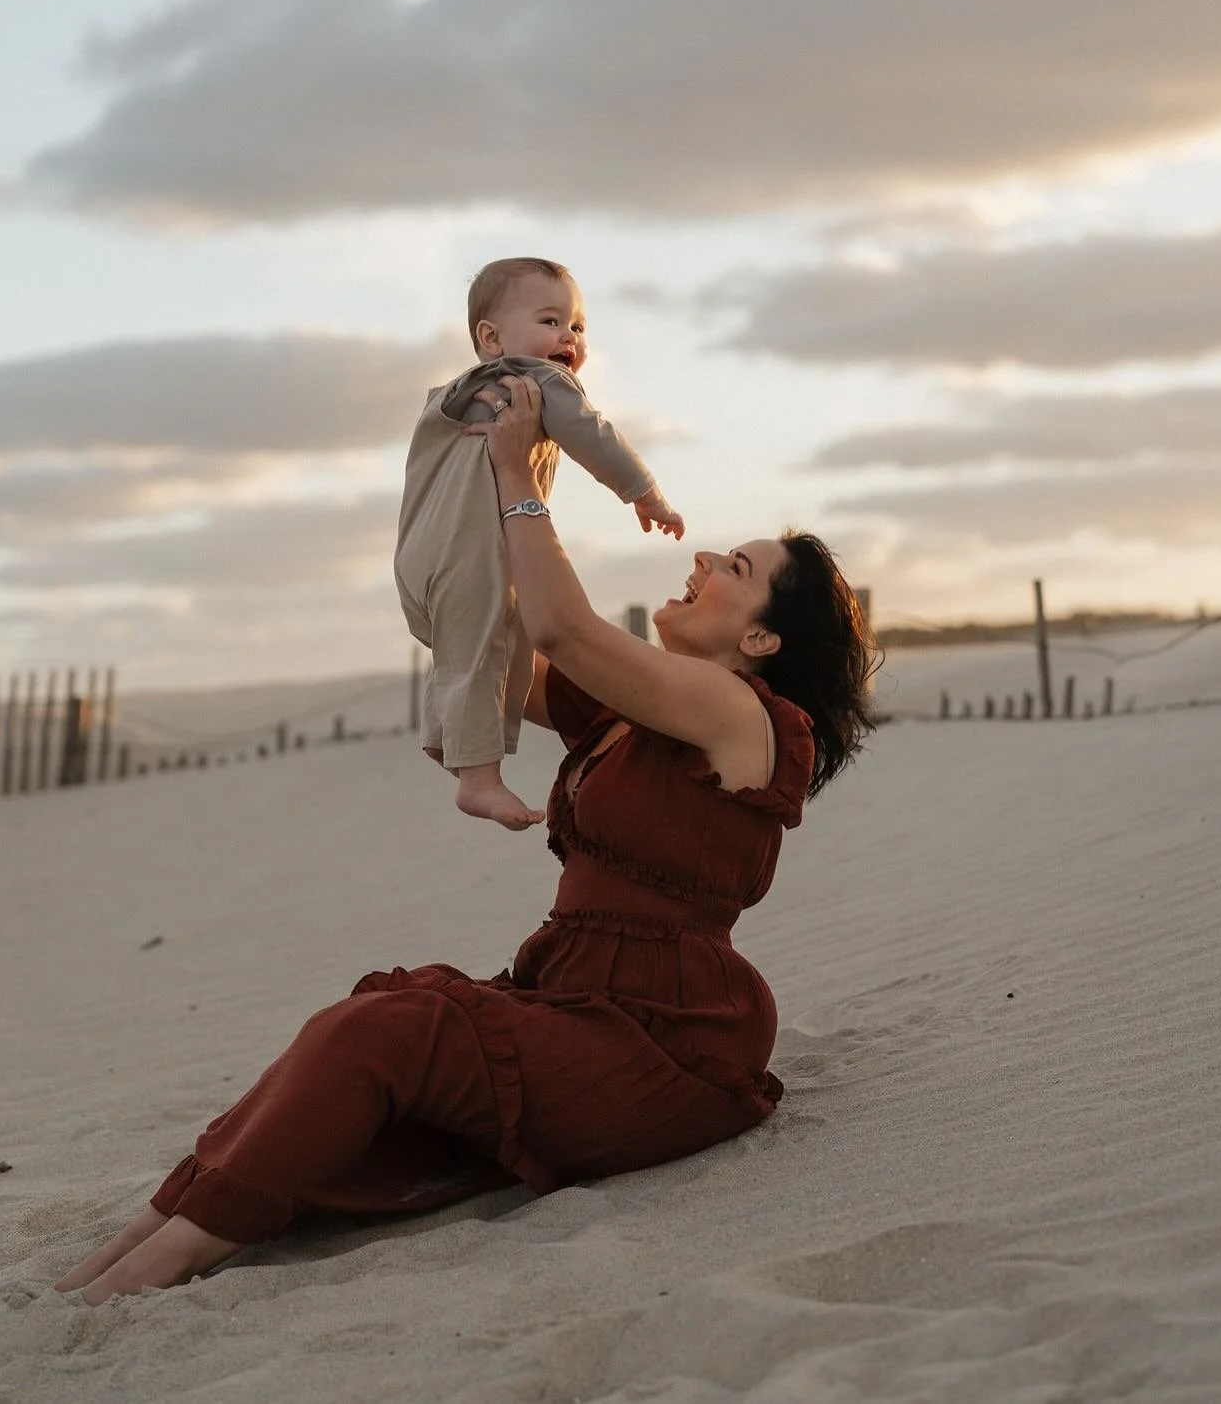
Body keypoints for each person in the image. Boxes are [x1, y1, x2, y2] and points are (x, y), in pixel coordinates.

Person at [54, 373, 876, 1305]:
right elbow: (484, 647)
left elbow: (562, 626)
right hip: (568, 996)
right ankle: (136, 1242)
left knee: (390, 1030)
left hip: (666, 1040)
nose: (701, 565)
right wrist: (473, 489)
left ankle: (146, 1277)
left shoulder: (743, 716)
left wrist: (520, 477)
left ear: (765, 640)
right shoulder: (624, 713)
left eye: (734, 568)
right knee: (347, 1028)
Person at [395, 256, 684, 831]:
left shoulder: (449, 398)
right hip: (471, 553)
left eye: (577, 327)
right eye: (551, 321)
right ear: (492, 338)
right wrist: (644, 492)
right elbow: (592, 434)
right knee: (491, 646)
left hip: (418, 557)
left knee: (461, 647)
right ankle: (479, 781)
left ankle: (443, 738)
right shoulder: (540, 381)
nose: (568, 338)